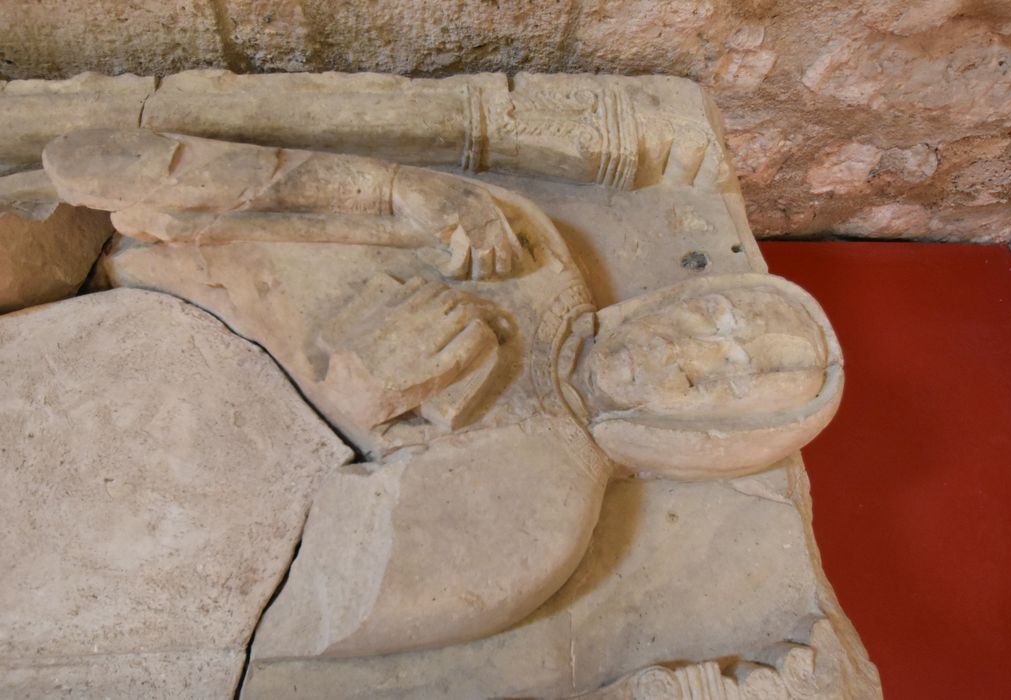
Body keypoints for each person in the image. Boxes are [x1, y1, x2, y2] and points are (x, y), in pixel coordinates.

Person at [42, 128, 842, 658]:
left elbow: (258, 611)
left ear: (711, 442)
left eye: (727, 378)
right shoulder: (527, 251)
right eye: (723, 316)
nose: (695, 347)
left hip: (93, 465)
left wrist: (344, 398)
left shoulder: (534, 517)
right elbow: (260, 188)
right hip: (87, 289)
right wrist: (389, 188)